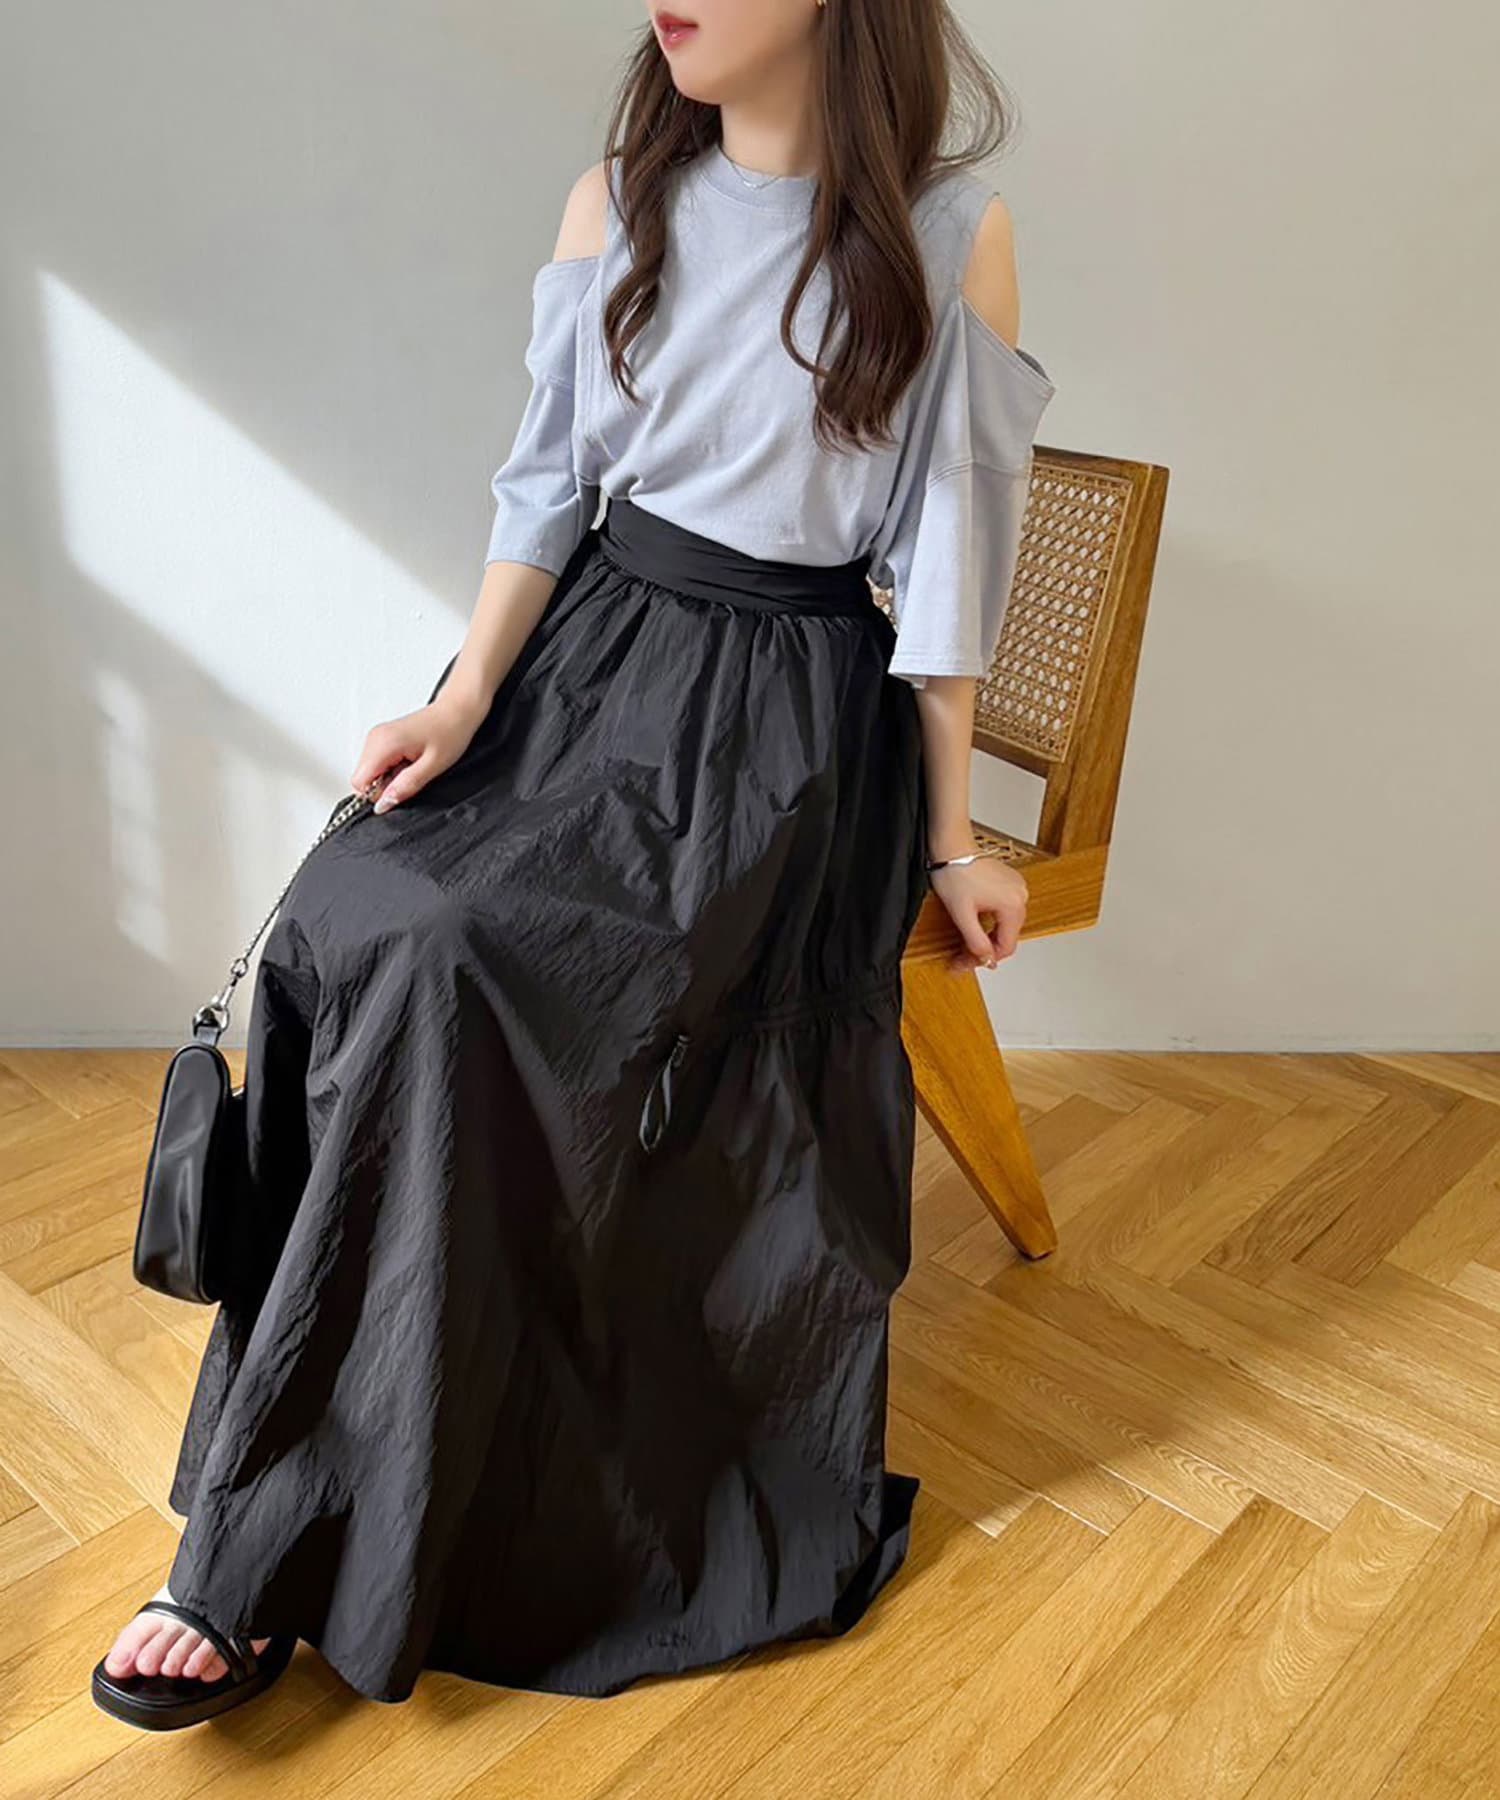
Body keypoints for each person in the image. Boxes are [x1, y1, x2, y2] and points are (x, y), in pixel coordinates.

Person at [92, 0, 1054, 1728]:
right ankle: (301, 1488)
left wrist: (951, 838)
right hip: (589, 667)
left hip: (779, 729)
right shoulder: (620, 198)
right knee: (362, 916)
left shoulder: (950, 233)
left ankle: (265, 1544)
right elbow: (548, 483)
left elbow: (949, 562)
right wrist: (462, 700)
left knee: (475, 964)